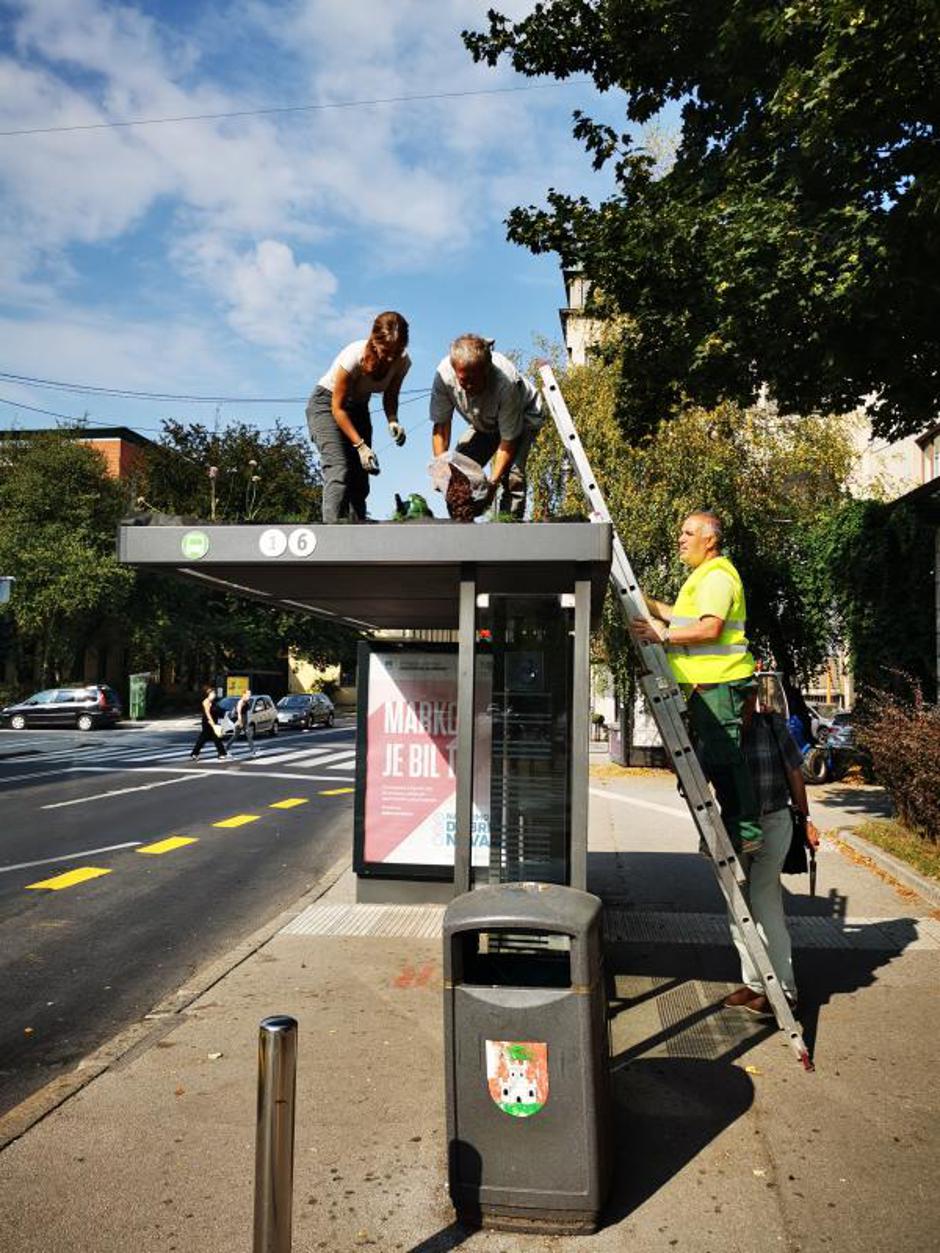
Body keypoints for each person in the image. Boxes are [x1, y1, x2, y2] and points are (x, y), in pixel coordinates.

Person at [631, 511, 763, 855]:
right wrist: (646, 603)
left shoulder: (717, 577)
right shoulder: (704, 577)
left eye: (689, 533)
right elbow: (680, 615)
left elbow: (709, 629)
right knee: (712, 760)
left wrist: (665, 636)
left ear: (711, 540)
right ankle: (729, 831)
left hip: (719, 682)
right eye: (681, 532)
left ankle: (744, 831)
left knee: (724, 759)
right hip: (707, 685)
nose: (681, 538)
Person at [724, 699, 821, 1014]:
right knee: (738, 903)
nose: (742, 701)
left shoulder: (773, 725)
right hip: (737, 824)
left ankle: (785, 989)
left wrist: (805, 819)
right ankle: (755, 983)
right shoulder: (720, 729)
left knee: (764, 898)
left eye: (746, 692)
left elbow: (794, 772)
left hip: (773, 821)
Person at [306, 311, 411, 522]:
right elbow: (338, 408)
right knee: (339, 468)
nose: (390, 357)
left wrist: (393, 420)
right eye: (385, 351)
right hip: (327, 405)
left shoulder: (402, 361)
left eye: (396, 351)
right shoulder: (354, 356)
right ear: (374, 340)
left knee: (361, 476)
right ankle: (332, 533)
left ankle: (357, 532)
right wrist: (360, 446)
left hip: (359, 408)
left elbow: (390, 395)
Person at [430, 334, 543, 519]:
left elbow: (508, 440)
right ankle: (462, 523)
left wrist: (492, 484)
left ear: (486, 370)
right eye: (463, 380)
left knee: (512, 475)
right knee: (458, 470)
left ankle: (508, 529)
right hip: (484, 421)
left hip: (523, 416)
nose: (467, 386)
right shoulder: (443, 376)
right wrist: (441, 467)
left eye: (473, 380)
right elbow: (441, 426)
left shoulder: (506, 384)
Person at [190, 684, 228, 761]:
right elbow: (207, 713)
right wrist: (212, 723)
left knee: (212, 738)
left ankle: (195, 753)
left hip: (212, 721)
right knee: (206, 738)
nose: (214, 695)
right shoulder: (206, 702)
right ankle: (222, 753)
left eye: (214, 694)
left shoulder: (213, 702)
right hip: (208, 722)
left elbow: (218, 711)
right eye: (212, 694)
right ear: (208, 694)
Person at [230, 688, 257, 758]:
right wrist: (240, 722)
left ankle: (253, 751)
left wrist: (247, 721)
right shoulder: (240, 702)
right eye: (248, 694)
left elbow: (246, 713)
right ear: (244, 694)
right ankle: (226, 748)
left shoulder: (246, 702)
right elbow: (239, 713)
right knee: (235, 736)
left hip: (245, 720)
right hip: (240, 721)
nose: (249, 695)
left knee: (249, 735)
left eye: (250, 694)